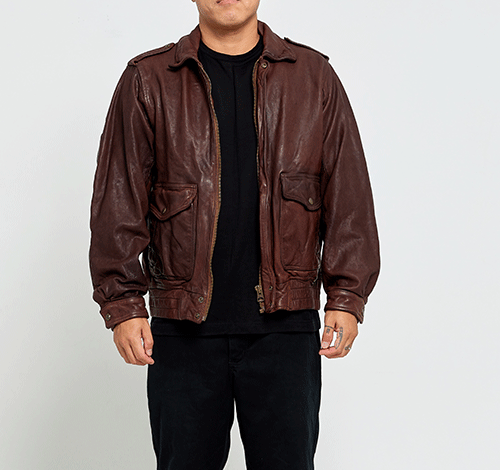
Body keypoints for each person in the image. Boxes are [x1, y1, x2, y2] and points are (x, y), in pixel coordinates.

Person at [89, 0, 380, 468]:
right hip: (183, 331)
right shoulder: (148, 80)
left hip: (286, 331)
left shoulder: (313, 78)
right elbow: (117, 201)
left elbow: (348, 196)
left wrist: (347, 296)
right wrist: (122, 305)